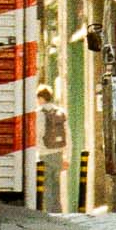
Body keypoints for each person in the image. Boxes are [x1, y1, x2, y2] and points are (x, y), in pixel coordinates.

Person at [35, 80, 70, 214]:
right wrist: (67, 157)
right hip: (59, 154)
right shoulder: (60, 112)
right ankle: (59, 213)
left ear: (41, 98)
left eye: (38, 98)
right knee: (57, 187)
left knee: (47, 188)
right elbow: (68, 136)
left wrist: (37, 152)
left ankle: (51, 215)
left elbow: (38, 134)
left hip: (45, 154)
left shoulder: (39, 113)